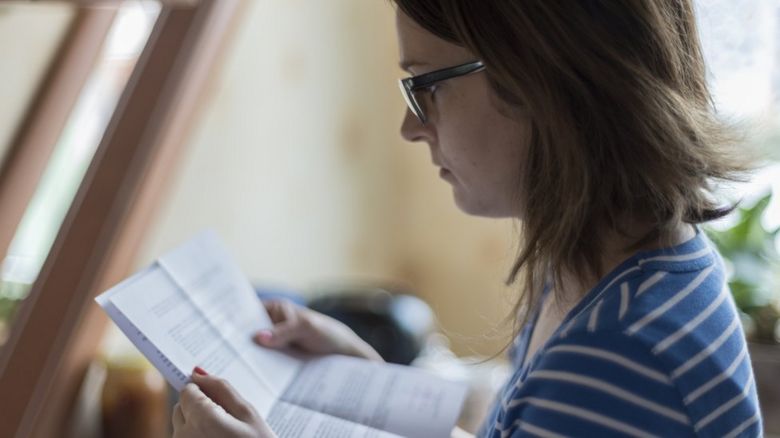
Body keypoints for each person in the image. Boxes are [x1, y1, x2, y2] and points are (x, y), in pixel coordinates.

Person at [172, 1, 763, 437]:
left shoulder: (619, 357)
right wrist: (364, 379)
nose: (411, 127)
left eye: (425, 84)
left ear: (540, 78)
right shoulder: (605, 268)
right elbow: (513, 421)